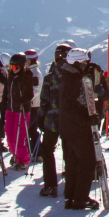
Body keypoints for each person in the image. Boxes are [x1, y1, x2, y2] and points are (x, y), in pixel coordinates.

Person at [57, 47, 103, 210]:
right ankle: (80, 198)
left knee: (73, 162)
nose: (86, 65)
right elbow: (72, 108)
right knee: (87, 162)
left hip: (67, 128)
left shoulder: (67, 76)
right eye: (84, 62)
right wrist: (88, 119)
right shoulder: (75, 80)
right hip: (77, 128)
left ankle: (71, 196)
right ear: (77, 63)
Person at [37, 42, 72, 197]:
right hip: (69, 121)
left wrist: (40, 118)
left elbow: (43, 100)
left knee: (47, 150)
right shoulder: (74, 75)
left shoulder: (50, 77)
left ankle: (50, 185)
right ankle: (71, 186)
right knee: (69, 152)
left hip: (51, 120)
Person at [4, 52, 37, 168]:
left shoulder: (27, 75)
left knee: (20, 135)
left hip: (22, 110)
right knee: (9, 133)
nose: (13, 69)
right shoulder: (11, 75)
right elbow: (6, 92)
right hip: (10, 109)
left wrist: (23, 101)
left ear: (22, 66)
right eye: (11, 66)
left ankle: (23, 160)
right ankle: (15, 155)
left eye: (16, 67)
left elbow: (30, 94)